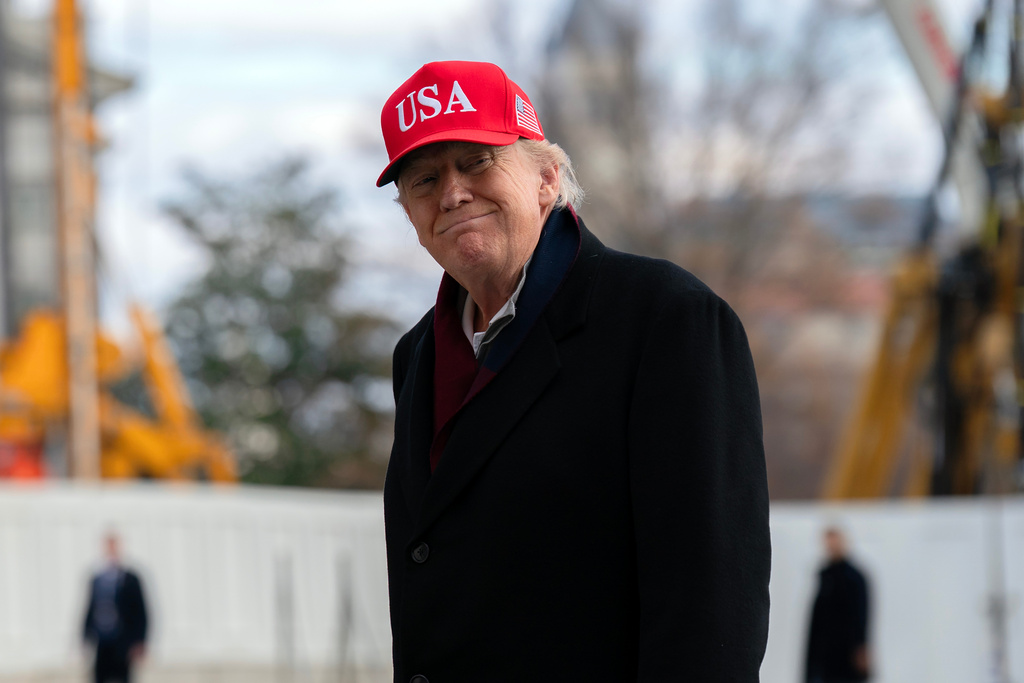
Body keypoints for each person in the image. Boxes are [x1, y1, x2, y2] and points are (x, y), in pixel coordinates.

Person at [379, 60, 770, 682]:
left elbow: (711, 607)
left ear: (546, 179)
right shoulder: (416, 357)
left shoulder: (666, 322)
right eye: (424, 179)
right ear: (409, 214)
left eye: (477, 162)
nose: (451, 192)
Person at [805, 527, 871, 683]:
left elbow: (861, 615)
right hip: (823, 656)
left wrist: (861, 649)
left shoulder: (854, 578)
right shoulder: (825, 575)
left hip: (845, 655)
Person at [82, 532, 149, 683]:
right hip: (103, 640)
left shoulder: (131, 579)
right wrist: (85, 635)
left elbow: (141, 611)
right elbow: (90, 609)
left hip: (123, 641)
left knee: (122, 677)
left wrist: (140, 640)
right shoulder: (97, 579)